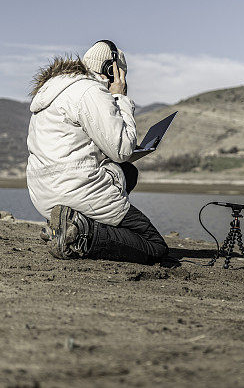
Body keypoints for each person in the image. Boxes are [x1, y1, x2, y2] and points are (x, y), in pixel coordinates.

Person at [26, 40, 169, 264]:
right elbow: (121, 150)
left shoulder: (56, 90)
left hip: (43, 192)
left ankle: (66, 227)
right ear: (111, 70)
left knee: (127, 172)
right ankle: (82, 235)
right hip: (74, 189)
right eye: (122, 73)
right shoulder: (90, 91)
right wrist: (120, 97)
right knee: (154, 245)